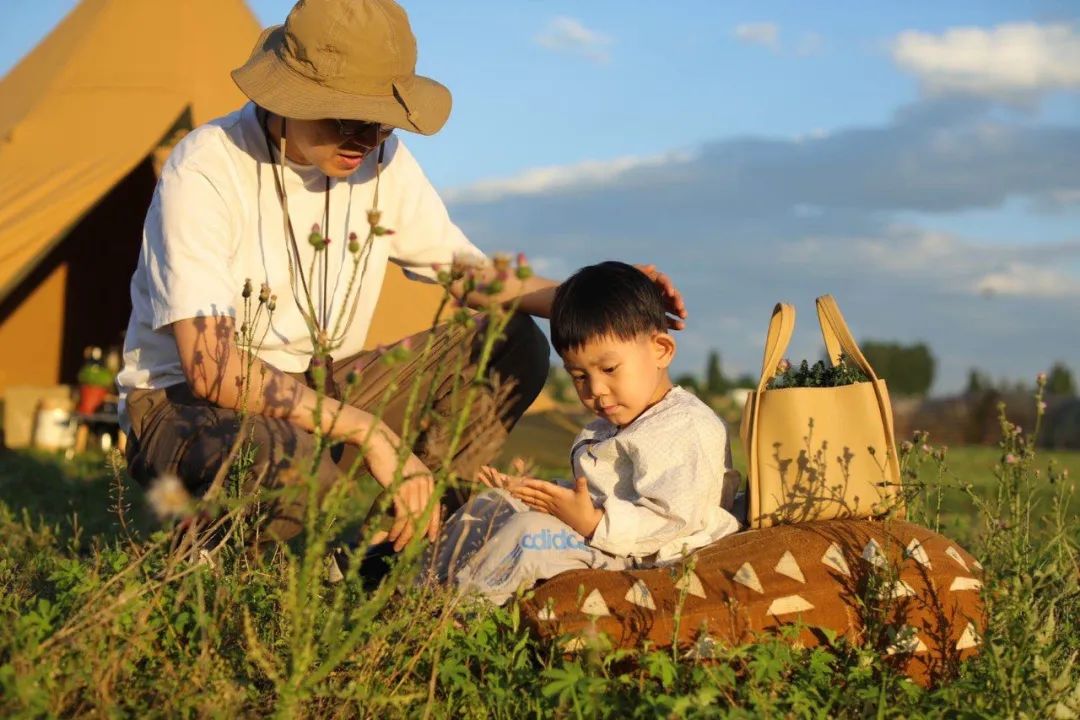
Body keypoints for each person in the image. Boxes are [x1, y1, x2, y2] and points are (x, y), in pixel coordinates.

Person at [116, 0, 688, 551]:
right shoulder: (207, 167)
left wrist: (591, 300)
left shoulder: (378, 163)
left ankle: (403, 553)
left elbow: (469, 277)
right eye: (349, 120)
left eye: (383, 125)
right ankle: (211, 561)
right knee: (281, 463)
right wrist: (368, 432)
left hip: (319, 385)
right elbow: (213, 368)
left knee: (509, 342)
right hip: (186, 403)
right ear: (288, 95)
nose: (367, 140)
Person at [424, 262, 741, 604]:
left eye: (609, 369)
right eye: (579, 376)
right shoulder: (615, 424)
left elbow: (674, 519)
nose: (596, 389)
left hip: (645, 556)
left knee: (529, 536)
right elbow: (603, 492)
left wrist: (592, 523)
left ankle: (457, 614)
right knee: (494, 504)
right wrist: (539, 494)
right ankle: (415, 590)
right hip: (601, 536)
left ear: (660, 350)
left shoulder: (684, 426)